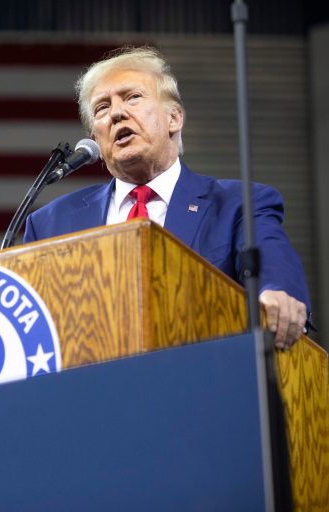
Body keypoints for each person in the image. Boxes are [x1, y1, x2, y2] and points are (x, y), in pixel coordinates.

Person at [23, 46, 310, 349]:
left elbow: (273, 265)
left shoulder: (238, 204)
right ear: (96, 139)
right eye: (102, 108)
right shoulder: (50, 224)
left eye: (133, 97)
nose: (117, 113)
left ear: (174, 118)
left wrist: (276, 294)